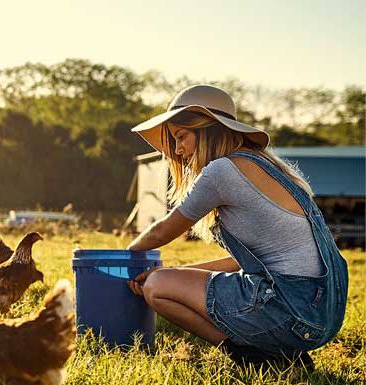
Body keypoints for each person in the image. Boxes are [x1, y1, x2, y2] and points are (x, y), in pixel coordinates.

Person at [125, 84, 349, 370]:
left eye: (181, 137)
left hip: (290, 310)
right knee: (163, 279)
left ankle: (253, 356)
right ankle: (282, 354)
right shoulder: (269, 169)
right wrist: (174, 274)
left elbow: (162, 232)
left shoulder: (223, 170)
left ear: (207, 130)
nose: (178, 151)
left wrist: (128, 255)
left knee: (157, 287)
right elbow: (241, 261)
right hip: (321, 314)